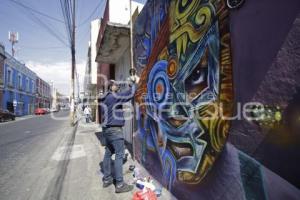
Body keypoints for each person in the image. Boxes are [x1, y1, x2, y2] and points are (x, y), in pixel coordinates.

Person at [99, 78, 137, 193]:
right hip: (115, 130)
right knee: (119, 155)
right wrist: (134, 83)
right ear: (111, 87)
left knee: (108, 153)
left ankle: (107, 179)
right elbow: (129, 94)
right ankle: (120, 184)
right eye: (116, 84)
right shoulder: (113, 97)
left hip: (106, 130)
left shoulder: (104, 98)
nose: (118, 85)